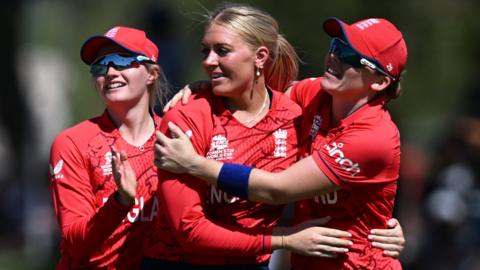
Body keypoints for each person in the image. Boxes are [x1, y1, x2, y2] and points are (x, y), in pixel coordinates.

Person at [146, 3, 405, 269]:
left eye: (350, 56)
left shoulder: (374, 137)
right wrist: (205, 85)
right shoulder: (314, 95)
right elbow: (258, 92)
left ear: (380, 82)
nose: (334, 58)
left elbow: (277, 189)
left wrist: (194, 164)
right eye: (336, 47)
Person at [49, 26, 170, 269]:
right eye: (100, 65)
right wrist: (120, 203)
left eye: (122, 60)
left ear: (151, 74)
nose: (110, 72)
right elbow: (76, 244)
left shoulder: (176, 137)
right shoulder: (74, 142)